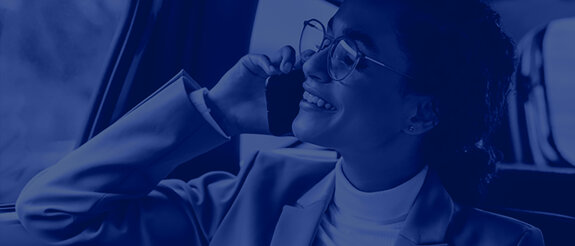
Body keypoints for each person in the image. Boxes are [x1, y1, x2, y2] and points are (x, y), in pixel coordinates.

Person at [16, 0, 545, 245]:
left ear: (421, 112)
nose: (313, 63)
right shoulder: (251, 194)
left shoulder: (504, 242)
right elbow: (51, 212)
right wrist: (215, 112)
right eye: (326, 37)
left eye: (351, 56)